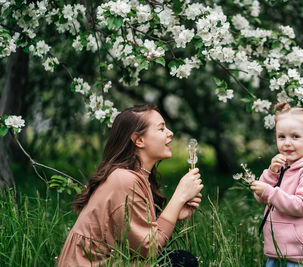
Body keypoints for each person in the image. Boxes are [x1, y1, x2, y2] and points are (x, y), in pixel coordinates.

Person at [58, 105, 204, 266]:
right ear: (139, 140)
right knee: (182, 263)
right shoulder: (124, 180)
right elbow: (149, 248)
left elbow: (138, 244)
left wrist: (176, 212)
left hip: (109, 261)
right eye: (161, 129)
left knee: (180, 259)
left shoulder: (133, 176)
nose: (170, 133)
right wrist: (179, 197)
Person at [250, 102, 303, 267]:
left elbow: (301, 206)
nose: (287, 143)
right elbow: (261, 198)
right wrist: (271, 172)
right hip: (276, 249)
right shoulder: (283, 166)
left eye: (295, 136)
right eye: (282, 137)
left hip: (299, 254)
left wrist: (270, 192)